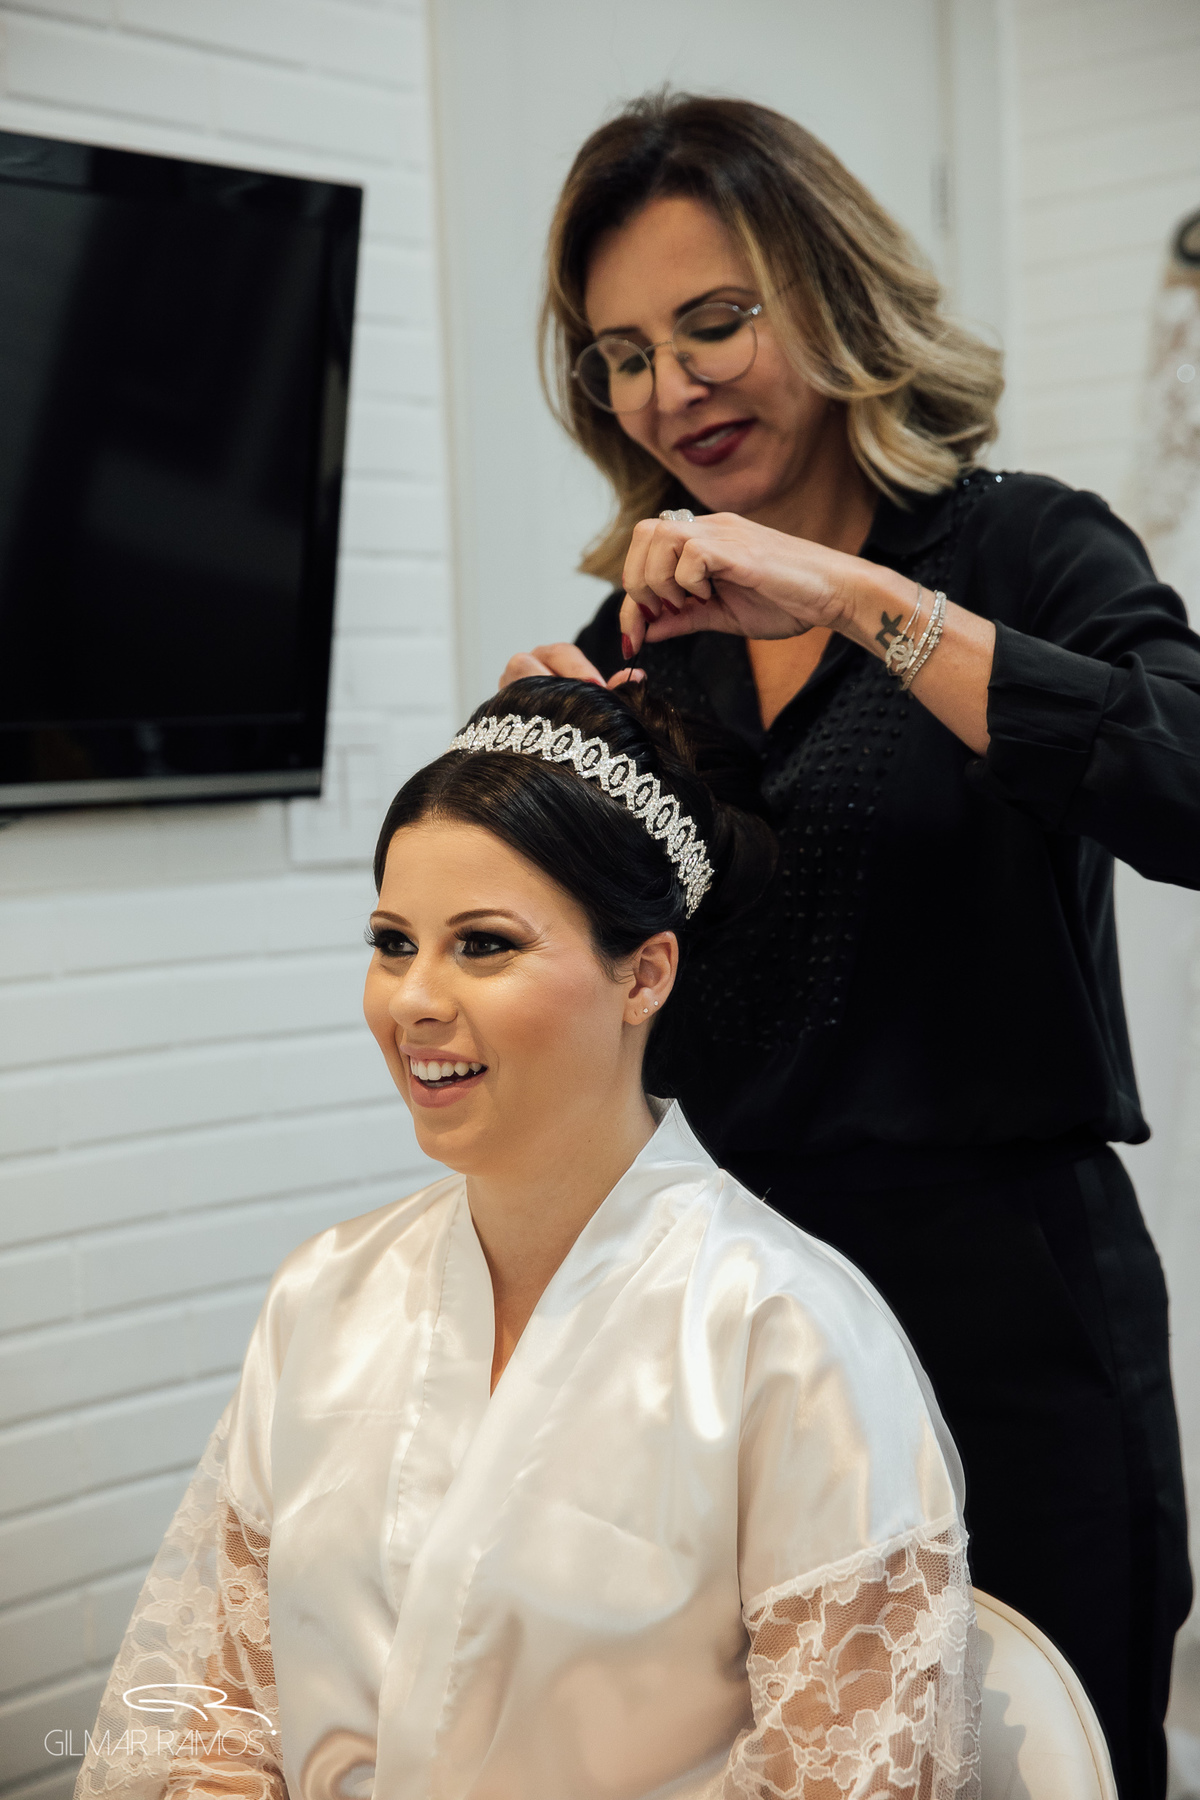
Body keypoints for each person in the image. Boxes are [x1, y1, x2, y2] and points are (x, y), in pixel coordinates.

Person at [501, 91, 1200, 1800]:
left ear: (829, 296)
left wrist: (852, 602)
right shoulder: (639, 640)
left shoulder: (1024, 547)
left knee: (1045, 1747)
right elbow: (612, 1014)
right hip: (743, 1337)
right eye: (622, 356)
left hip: (1010, 1318)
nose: (672, 391)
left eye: (716, 322)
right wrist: (546, 803)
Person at [76, 677, 980, 1800]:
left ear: (644, 972)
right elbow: (218, 1718)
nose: (413, 998)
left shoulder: (787, 1338)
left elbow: (843, 1777)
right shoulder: (325, 1298)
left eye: (484, 945)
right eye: (392, 942)